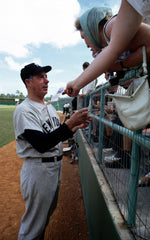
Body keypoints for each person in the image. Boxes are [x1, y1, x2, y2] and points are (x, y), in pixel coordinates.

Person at [13, 63, 92, 240]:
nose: (46, 80)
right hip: (38, 170)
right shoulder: (24, 110)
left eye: (46, 76)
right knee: (33, 225)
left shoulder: (48, 107)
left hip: (53, 168)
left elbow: (55, 136)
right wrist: (69, 124)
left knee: (43, 219)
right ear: (28, 82)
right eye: (40, 77)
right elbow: (41, 144)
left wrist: (75, 126)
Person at [63, 3, 150, 104]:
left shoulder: (110, 27)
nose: (86, 44)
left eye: (83, 37)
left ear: (90, 29)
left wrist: (119, 65)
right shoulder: (113, 43)